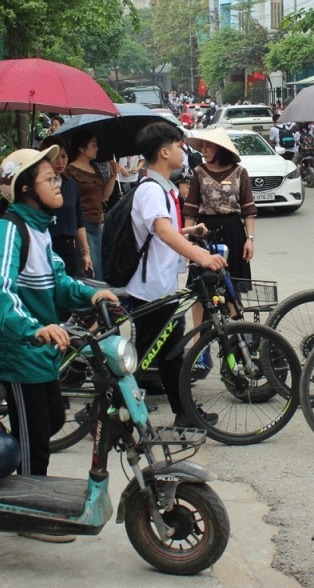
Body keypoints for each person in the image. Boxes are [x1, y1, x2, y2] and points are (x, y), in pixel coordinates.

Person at [0, 145, 117, 485]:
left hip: (39, 352)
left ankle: (1, 466)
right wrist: (34, 329)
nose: (58, 183)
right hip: (16, 350)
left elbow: (59, 281)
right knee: (36, 439)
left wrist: (92, 292)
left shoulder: (40, 229)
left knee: (53, 420)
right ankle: (28, 506)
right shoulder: (10, 229)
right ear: (25, 189)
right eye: (49, 178)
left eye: (56, 177)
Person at [126, 122, 228, 428]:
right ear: (164, 152)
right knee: (143, 357)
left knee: (170, 353)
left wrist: (189, 231)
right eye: (179, 145)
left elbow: (162, 232)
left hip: (162, 284)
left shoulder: (162, 188)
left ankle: (184, 413)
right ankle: (112, 409)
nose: (183, 150)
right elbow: (162, 231)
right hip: (151, 288)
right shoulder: (151, 190)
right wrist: (201, 256)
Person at [183, 128, 256, 282]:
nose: (204, 150)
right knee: (201, 285)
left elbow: (248, 209)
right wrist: (186, 242)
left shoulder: (240, 172)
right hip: (205, 231)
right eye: (202, 146)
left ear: (220, 149)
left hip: (233, 231)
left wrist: (249, 239)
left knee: (232, 285)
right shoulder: (198, 172)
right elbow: (191, 209)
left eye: (208, 146)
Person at [66, 131, 118, 280]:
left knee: (99, 266)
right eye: (93, 145)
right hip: (83, 224)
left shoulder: (94, 168)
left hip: (97, 224)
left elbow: (104, 196)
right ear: (82, 149)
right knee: (91, 270)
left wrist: (113, 176)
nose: (97, 148)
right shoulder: (71, 171)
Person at [40, 135, 93, 279]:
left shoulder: (71, 185)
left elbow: (79, 222)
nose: (60, 161)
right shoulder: (39, 187)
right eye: (55, 156)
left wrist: (86, 253)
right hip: (45, 248)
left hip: (69, 250)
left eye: (64, 156)